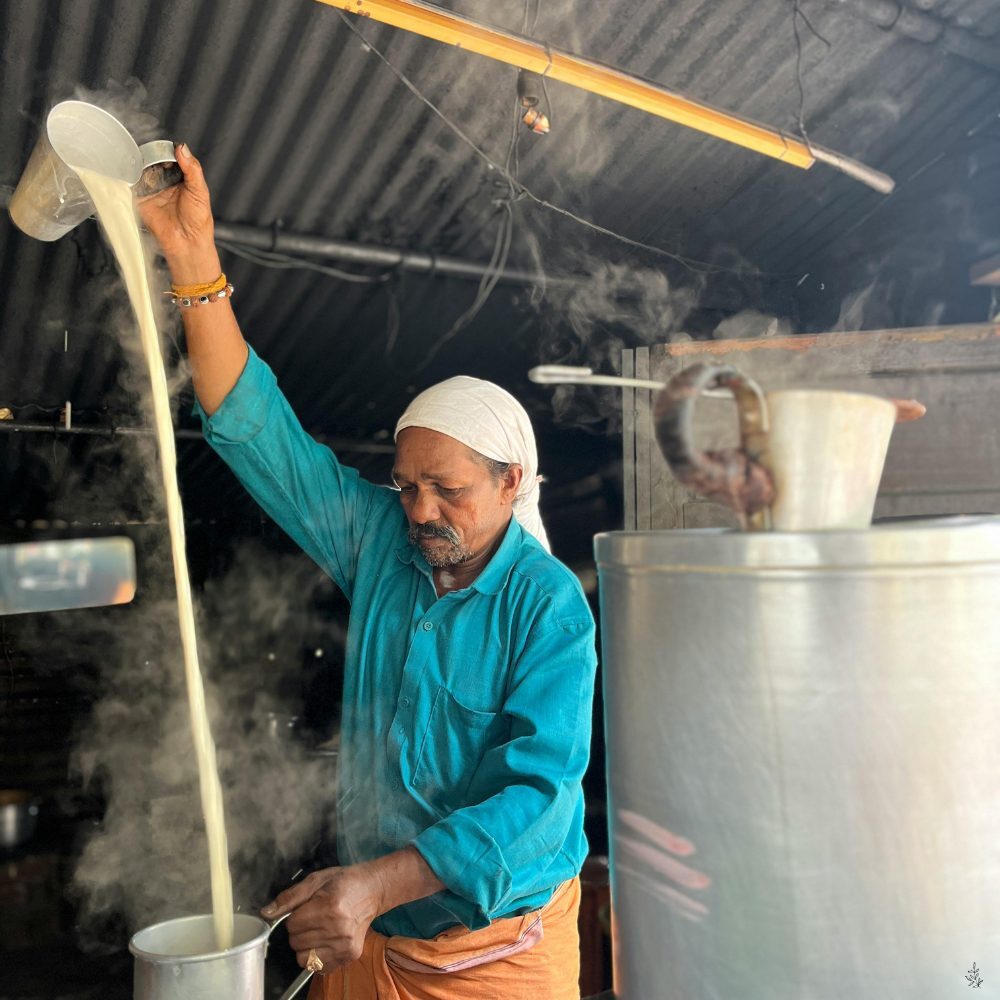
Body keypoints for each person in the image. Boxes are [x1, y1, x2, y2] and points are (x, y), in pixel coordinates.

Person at [139, 144, 598, 1000]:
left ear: (512, 482)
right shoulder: (384, 541)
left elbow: (535, 801)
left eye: (448, 490)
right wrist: (191, 254)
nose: (419, 511)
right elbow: (258, 433)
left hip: (493, 955)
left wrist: (378, 883)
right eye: (406, 485)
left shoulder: (548, 607)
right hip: (367, 931)